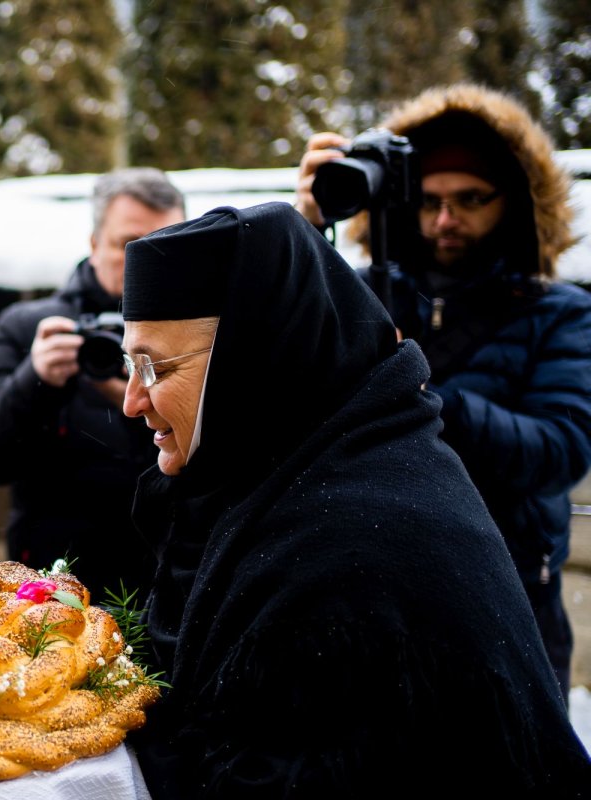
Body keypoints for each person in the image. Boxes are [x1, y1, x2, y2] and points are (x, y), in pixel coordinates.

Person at [120, 201, 591, 798]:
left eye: (155, 367)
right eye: (127, 362)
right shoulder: (285, 473)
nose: (133, 400)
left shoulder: (342, 552)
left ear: (253, 360)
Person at [295, 84, 591, 702]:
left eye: (469, 200)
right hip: (375, 586)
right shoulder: (364, 293)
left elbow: (560, 449)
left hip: (511, 594)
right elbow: (282, 375)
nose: (445, 220)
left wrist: (416, 382)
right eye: (428, 202)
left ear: (515, 203)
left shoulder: (562, 313)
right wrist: (308, 232)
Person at [0, 167, 185, 600]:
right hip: (48, 586)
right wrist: (34, 381)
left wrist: (147, 410)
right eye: (128, 244)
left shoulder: (194, 340)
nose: (148, 260)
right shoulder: (31, 327)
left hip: (161, 580)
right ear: (94, 243)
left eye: (165, 244)